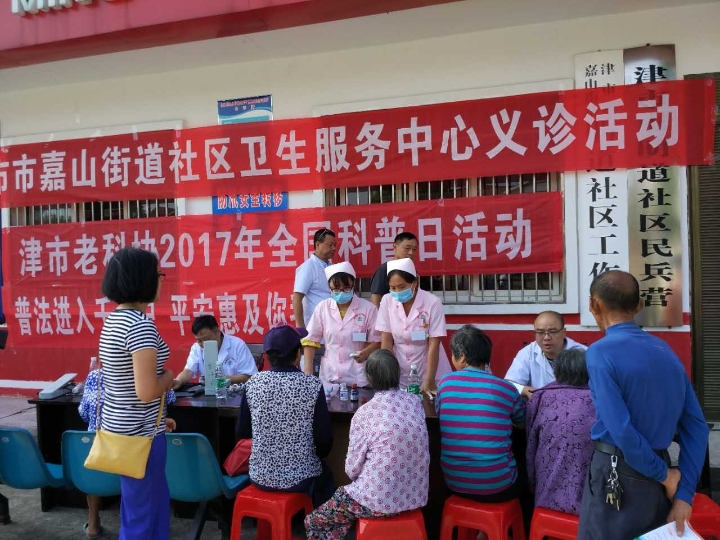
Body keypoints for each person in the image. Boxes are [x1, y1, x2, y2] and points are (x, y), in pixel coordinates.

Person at [578, 270, 709, 539]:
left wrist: (666, 476)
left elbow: (621, 430)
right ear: (639, 306)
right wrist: (684, 494)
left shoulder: (600, 353)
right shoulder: (666, 352)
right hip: (659, 476)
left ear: (593, 304)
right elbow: (697, 427)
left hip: (619, 470)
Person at [304, 349, 429, 539]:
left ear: (369, 378)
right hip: (415, 497)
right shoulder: (414, 402)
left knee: (314, 522)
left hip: (377, 500)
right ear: (398, 373)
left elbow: (351, 470)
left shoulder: (364, 413)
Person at [99, 247, 175, 540]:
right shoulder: (139, 326)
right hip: (141, 438)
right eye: (158, 275)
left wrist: (159, 417)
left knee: (143, 509)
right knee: (144, 515)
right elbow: (146, 391)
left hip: (125, 431)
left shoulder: (113, 320)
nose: (161, 280)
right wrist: (169, 377)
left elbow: (123, 385)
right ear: (142, 279)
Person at [235, 325, 334, 508]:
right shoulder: (311, 385)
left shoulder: (253, 383)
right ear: (297, 354)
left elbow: (242, 432)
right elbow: (324, 440)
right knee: (327, 474)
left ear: (268, 357)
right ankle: (315, 523)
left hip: (260, 477)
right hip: (301, 479)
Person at [78, 362, 178, 538]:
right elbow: (169, 398)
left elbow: (84, 413)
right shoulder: (148, 378)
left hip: (99, 458)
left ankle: (93, 522)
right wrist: (168, 376)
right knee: (141, 511)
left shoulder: (95, 376)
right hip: (132, 456)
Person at [436, 325, 525, 521]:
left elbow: (440, 413)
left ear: (461, 357)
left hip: (454, 482)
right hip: (498, 486)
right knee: (525, 468)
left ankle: (482, 530)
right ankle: (497, 529)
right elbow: (522, 424)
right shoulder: (506, 388)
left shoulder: (445, 383)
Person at [525, 348, 595, 516]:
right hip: (590, 504)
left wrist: (531, 486)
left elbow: (530, 446)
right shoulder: (599, 399)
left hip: (545, 496)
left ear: (557, 371)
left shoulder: (541, 397)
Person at [376, 257, 451, 395]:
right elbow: (386, 341)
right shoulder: (387, 301)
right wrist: (388, 376)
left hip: (429, 369)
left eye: (402, 287)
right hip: (400, 370)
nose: (397, 292)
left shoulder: (432, 302)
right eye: (392, 288)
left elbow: (434, 344)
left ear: (414, 283)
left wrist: (429, 380)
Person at [302, 261, 381, 388]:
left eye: (346, 288)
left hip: (358, 377)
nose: (341, 293)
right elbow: (310, 341)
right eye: (336, 289)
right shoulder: (323, 308)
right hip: (330, 376)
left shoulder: (368, 309)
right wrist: (308, 373)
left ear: (353, 284)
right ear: (329, 288)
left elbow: (377, 340)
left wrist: (366, 352)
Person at [505, 311, 587, 399]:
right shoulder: (528, 352)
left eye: (552, 332)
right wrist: (527, 391)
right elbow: (509, 384)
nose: (546, 337)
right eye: (540, 332)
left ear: (564, 332)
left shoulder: (583, 353)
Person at [173, 315, 257, 387]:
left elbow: (249, 377)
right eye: (199, 341)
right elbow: (188, 371)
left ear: (217, 331)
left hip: (235, 393)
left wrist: (223, 380)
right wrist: (178, 381)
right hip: (207, 394)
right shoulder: (196, 348)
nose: (203, 344)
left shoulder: (237, 345)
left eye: (206, 339)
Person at [292, 228, 336, 328]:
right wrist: (301, 327)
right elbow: (297, 298)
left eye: (335, 245)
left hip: (332, 325)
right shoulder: (308, 267)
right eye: (330, 245)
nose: (333, 248)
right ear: (318, 244)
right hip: (314, 326)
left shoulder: (331, 267)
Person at [369, 232, 418, 307]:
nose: (411, 252)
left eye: (414, 249)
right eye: (407, 248)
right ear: (395, 247)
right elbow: (376, 297)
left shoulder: (412, 270)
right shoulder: (385, 269)